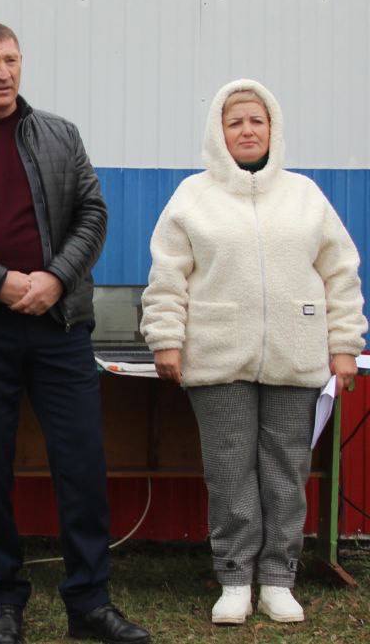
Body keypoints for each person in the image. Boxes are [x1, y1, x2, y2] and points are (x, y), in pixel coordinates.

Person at [0, 22, 150, 644]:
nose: (3, 72)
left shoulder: (61, 135)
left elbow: (93, 214)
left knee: (82, 465)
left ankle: (89, 601)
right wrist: (2, 283)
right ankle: (4, 598)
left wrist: (56, 278)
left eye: (12, 60)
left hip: (60, 326)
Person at [141, 79, 365, 625]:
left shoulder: (306, 195)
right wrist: (166, 339)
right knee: (230, 470)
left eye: (257, 121)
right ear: (219, 131)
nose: (247, 130)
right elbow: (168, 275)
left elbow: (341, 275)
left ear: (273, 129)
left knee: (285, 470)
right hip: (218, 358)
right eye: (235, 121)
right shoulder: (192, 197)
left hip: (296, 355)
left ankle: (278, 580)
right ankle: (236, 579)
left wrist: (344, 347)